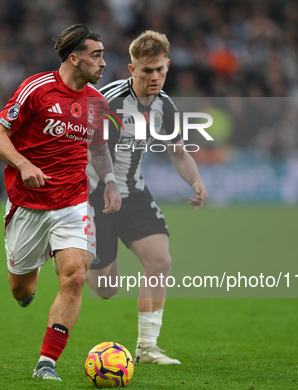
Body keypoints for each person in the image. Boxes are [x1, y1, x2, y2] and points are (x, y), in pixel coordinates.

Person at [0, 24, 121, 381]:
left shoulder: (97, 103)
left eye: (103, 54)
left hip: (73, 202)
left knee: (75, 275)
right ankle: (30, 277)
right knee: (22, 289)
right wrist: (23, 163)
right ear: (74, 58)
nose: (103, 63)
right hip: (28, 204)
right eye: (96, 55)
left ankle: (47, 362)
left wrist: (109, 182)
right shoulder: (37, 89)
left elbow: (100, 150)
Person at [87, 30, 208, 365]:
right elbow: (89, 148)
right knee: (106, 288)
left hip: (135, 193)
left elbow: (179, 152)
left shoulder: (165, 106)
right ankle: (71, 253)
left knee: (160, 261)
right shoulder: (106, 101)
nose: (154, 77)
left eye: (160, 70)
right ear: (131, 69)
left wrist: (195, 181)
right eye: (146, 71)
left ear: (167, 66)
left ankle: (146, 348)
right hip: (97, 197)